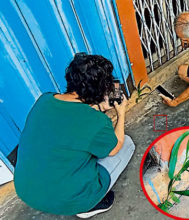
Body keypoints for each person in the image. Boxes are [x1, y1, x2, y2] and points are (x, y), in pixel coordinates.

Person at [14, 53, 135, 218]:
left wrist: (98, 108)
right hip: (72, 200)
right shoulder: (96, 121)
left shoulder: (44, 100)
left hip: (26, 191)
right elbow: (115, 148)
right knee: (127, 143)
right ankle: (89, 206)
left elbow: (71, 121)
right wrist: (121, 114)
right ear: (101, 90)